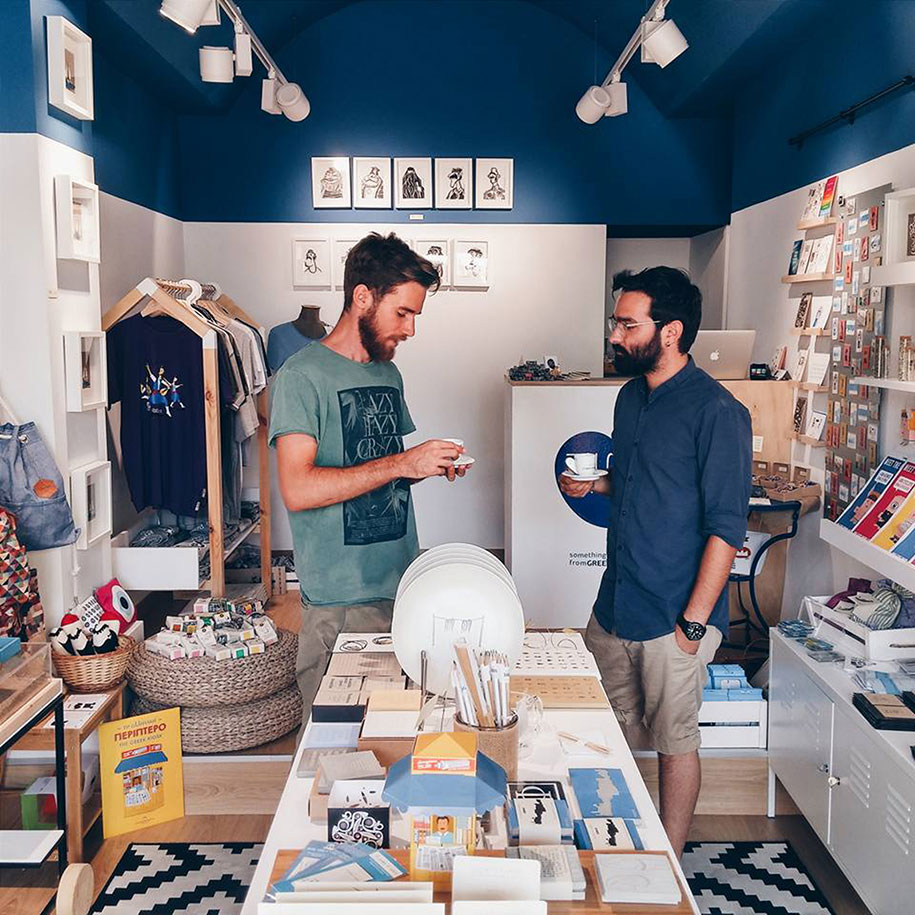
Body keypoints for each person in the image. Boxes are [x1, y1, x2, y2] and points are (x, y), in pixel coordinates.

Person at [560, 266, 751, 857]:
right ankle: (604, 841)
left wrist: (694, 625)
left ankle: (666, 865)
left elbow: (725, 528)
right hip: (615, 602)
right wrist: (595, 489)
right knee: (596, 730)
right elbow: (640, 483)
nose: (614, 336)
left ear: (670, 332)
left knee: (674, 741)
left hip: (674, 615)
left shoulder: (720, 413)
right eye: (616, 322)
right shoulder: (628, 396)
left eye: (626, 324)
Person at [269, 232, 470, 717]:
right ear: (363, 297)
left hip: (402, 583)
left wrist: (423, 466)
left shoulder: (387, 373)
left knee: (397, 729)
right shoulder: (301, 377)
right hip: (340, 599)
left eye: (416, 316)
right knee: (333, 742)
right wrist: (404, 462)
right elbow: (297, 489)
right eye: (403, 313)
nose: (411, 330)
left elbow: (378, 469)